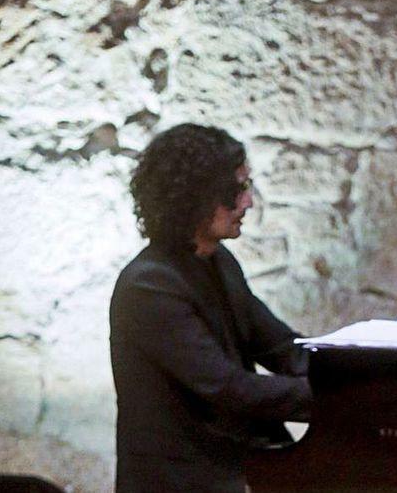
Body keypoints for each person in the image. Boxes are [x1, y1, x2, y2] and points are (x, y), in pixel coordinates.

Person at [110, 124, 312, 493]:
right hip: (181, 482)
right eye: (236, 190)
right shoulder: (149, 285)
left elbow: (281, 346)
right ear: (195, 197)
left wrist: (354, 368)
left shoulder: (219, 262)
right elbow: (226, 387)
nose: (248, 202)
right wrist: (335, 399)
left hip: (228, 468)